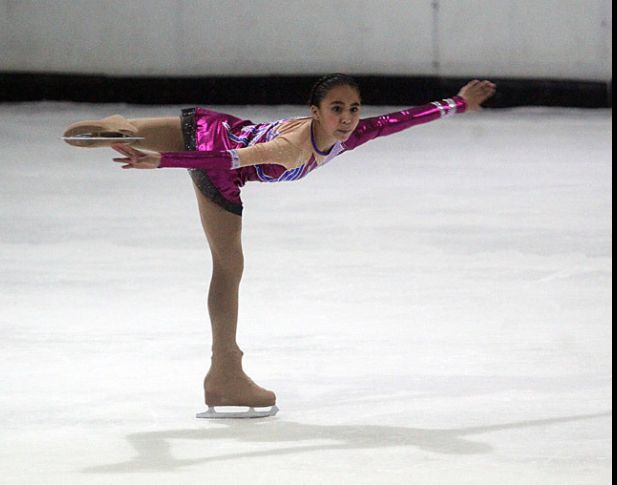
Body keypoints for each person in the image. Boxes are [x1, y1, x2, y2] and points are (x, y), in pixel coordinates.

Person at [63, 74, 496, 418]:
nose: (346, 118)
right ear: (315, 111)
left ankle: (118, 127)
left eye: (353, 109)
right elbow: (228, 161)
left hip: (217, 127)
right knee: (228, 267)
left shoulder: (351, 134)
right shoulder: (291, 147)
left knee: (166, 136)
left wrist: (459, 103)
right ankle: (225, 373)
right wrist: (165, 162)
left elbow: (404, 118)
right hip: (220, 162)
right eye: (336, 109)